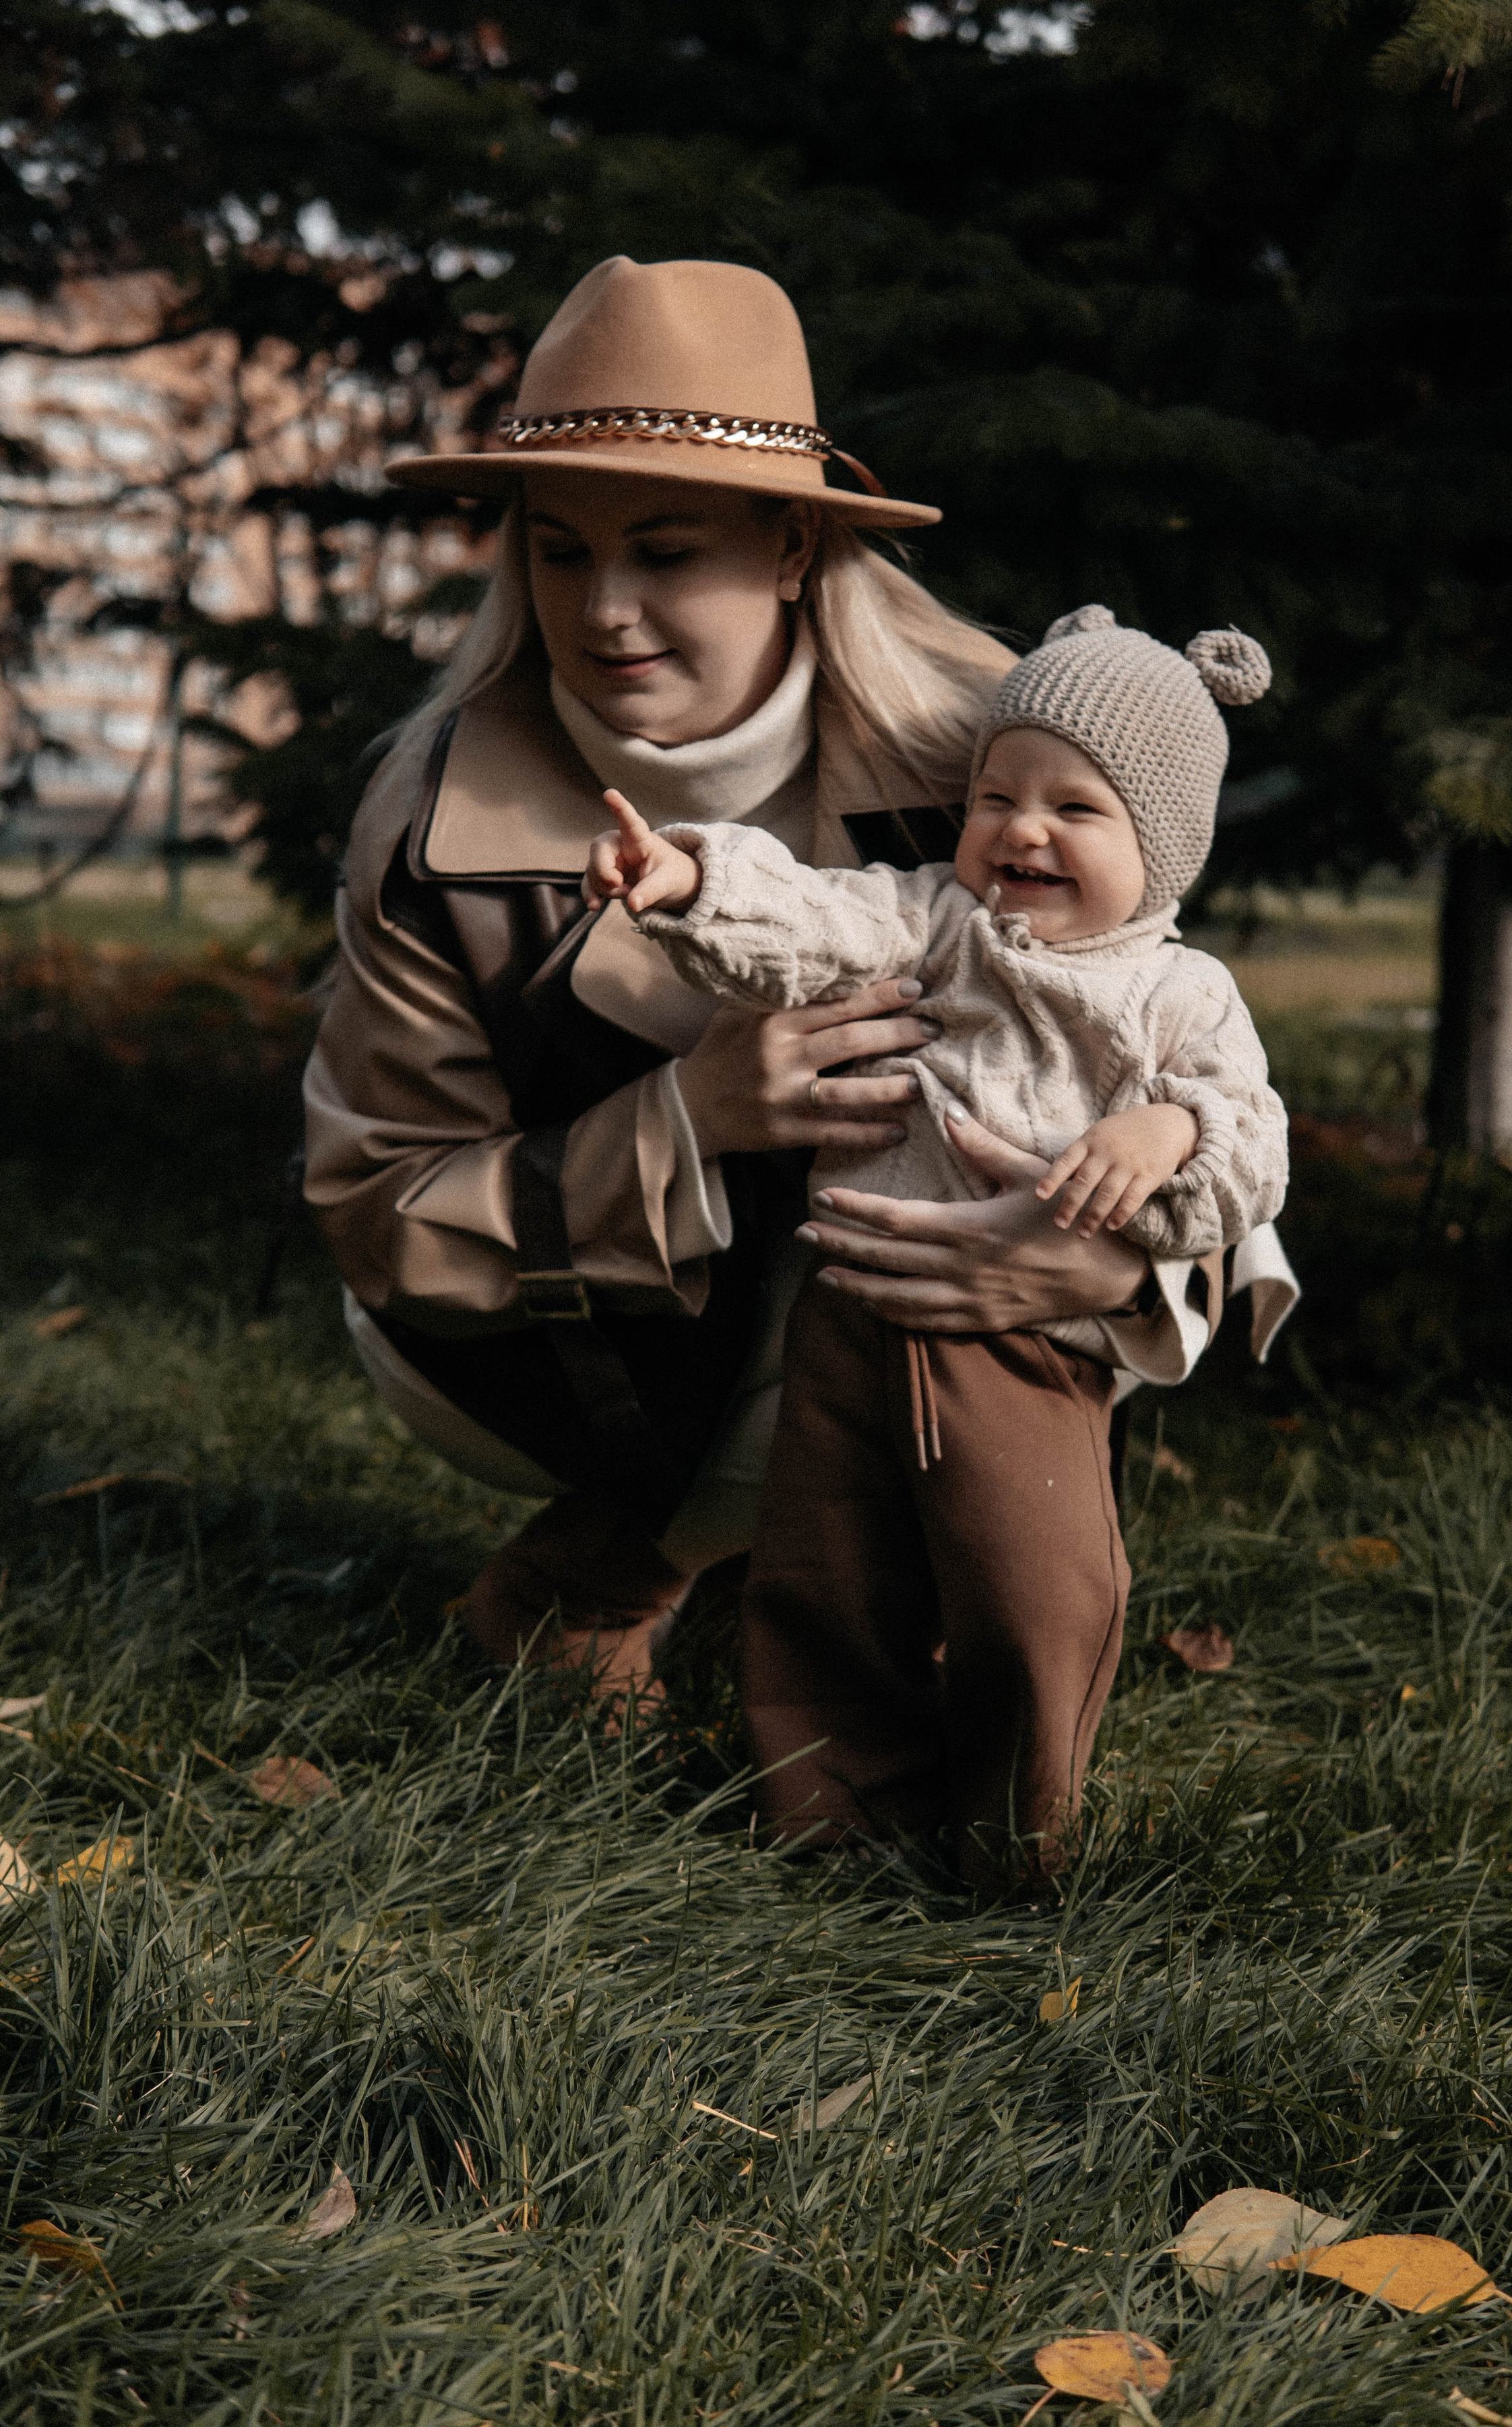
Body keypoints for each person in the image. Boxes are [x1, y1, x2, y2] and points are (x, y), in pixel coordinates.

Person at [303, 254, 1282, 1695]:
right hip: (554, 1334)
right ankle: (626, 1558)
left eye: (664, 548)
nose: (605, 612)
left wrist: (1116, 1266)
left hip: (942, 1276)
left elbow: (1186, 1039)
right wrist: (686, 1123)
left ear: (788, 551)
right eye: (560, 550)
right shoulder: (430, 819)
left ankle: (800, 1574)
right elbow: (379, 1214)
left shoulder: (993, 758)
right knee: (810, 1247)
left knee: (970, 1229)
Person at [581, 606, 1288, 1876]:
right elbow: (810, 920)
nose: (1023, 829)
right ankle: (839, 1824)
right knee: (826, 1584)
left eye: (1078, 810)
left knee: (1035, 1595)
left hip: (1023, 1349)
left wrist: (1170, 1137)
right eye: (997, 796)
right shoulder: (932, 920)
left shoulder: (1180, 996)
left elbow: (1256, 1141)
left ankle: (1019, 1839)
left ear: (1165, 848)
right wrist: (689, 883)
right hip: (851, 1319)